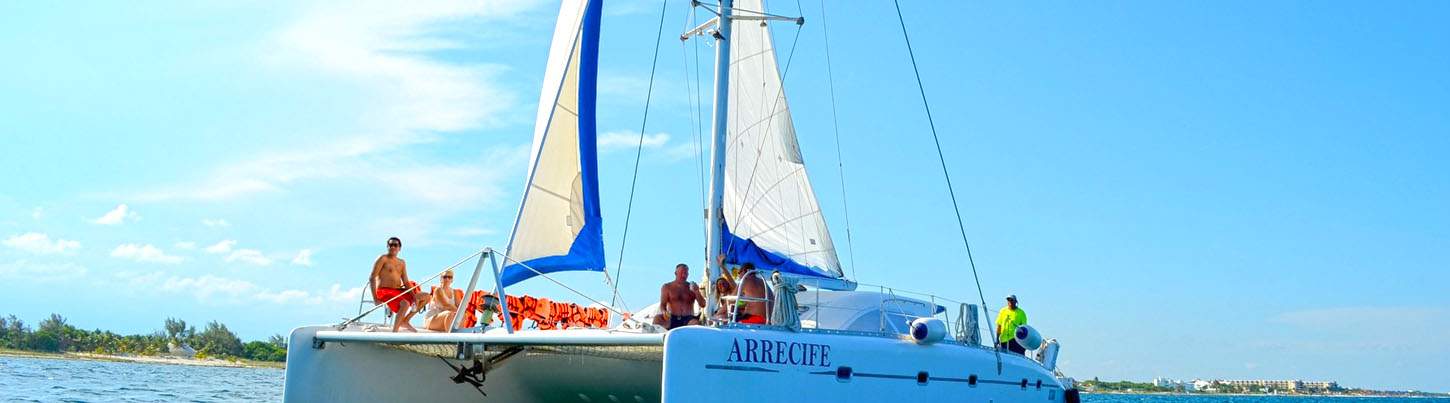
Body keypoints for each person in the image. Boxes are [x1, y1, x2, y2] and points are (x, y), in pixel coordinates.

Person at [369, 237, 418, 332]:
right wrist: (375, 299)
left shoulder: (402, 262)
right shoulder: (382, 258)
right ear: (387, 246)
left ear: (399, 248)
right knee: (405, 304)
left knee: (425, 297)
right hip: (384, 291)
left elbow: (406, 282)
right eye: (390, 245)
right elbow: (372, 278)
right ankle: (394, 333)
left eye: (395, 245)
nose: (393, 247)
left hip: (398, 291)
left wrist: (414, 297)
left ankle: (404, 321)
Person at [653, 263, 705, 330]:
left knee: (695, 323)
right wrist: (664, 312)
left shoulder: (691, 287)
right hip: (672, 318)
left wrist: (697, 292)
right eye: (681, 272)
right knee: (657, 319)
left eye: (685, 273)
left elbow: (703, 304)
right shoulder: (667, 287)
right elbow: (663, 304)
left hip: (688, 319)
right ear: (675, 273)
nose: (683, 275)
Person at [729, 254, 770, 325]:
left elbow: (731, 300)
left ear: (745, 271)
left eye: (739, 272)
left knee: (726, 317)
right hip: (767, 320)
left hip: (754, 319)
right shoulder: (764, 282)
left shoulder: (744, 280)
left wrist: (717, 313)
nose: (739, 275)